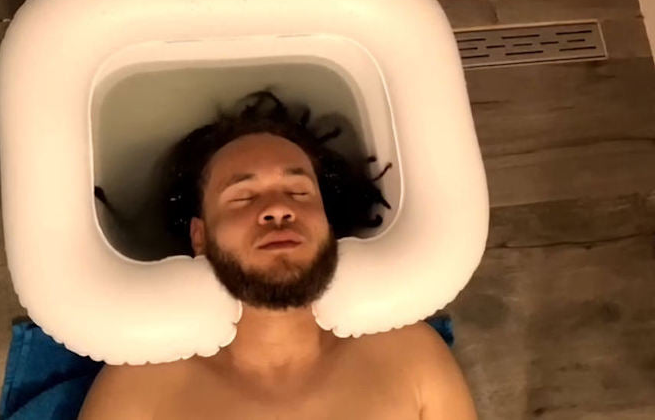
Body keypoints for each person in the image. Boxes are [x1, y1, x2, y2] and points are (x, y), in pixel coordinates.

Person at [79, 90, 477, 419]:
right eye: (244, 197)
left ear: (327, 224)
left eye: (299, 192)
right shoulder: (142, 386)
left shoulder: (408, 355)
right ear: (199, 237)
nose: (277, 209)